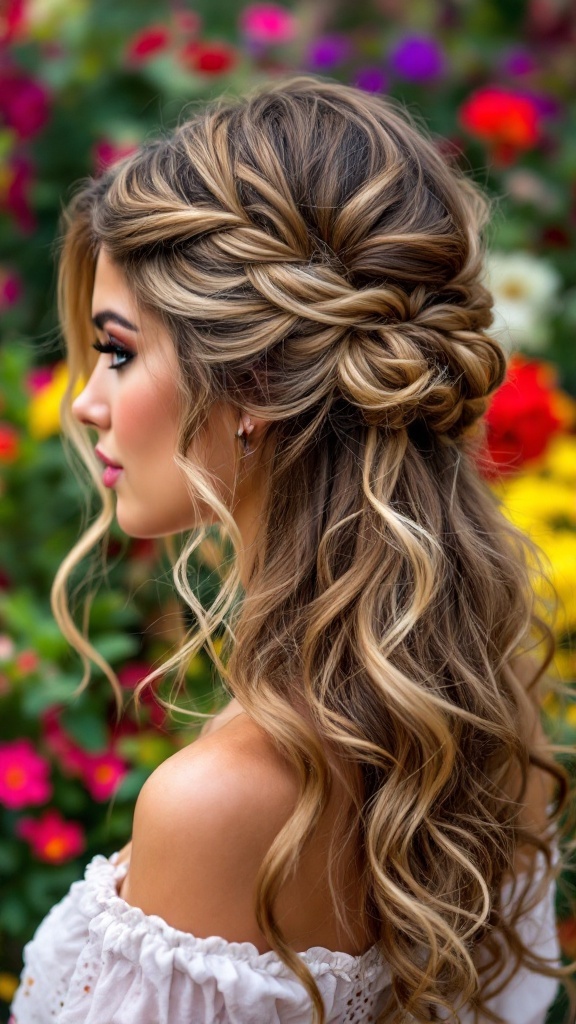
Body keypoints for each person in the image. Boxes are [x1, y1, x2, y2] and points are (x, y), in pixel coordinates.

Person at [10, 75, 575, 1024]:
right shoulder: (483, 691)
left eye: (119, 351)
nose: (86, 403)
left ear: (260, 380)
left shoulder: (220, 804)